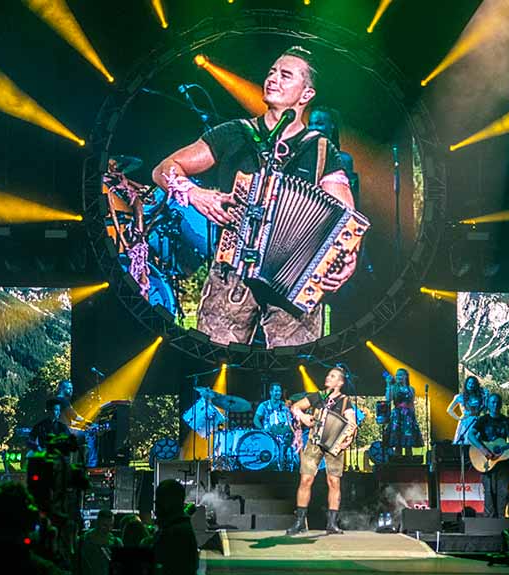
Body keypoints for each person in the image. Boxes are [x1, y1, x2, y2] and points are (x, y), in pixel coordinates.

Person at [152, 46, 357, 348]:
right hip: (231, 272)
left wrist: (346, 260)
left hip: (295, 283)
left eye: (285, 75)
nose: (272, 79)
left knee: (294, 374)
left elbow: (347, 220)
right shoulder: (235, 133)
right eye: (272, 72)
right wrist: (196, 194)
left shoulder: (321, 150)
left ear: (306, 95)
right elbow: (163, 169)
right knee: (216, 367)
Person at [286, 367, 357, 535]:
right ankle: (300, 522)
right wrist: (303, 417)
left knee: (334, 482)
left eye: (332, 376)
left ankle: (332, 524)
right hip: (314, 442)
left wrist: (348, 439)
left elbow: (351, 423)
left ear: (340, 382)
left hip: (334, 446)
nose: (328, 378)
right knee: (306, 479)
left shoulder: (345, 401)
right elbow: (295, 407)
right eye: (328, 375)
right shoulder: (318, 396)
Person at [467, 393, 509, 519]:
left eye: (498, 402)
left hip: (503, 462)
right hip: (487, 462)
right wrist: (483, 450)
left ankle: (501, 522)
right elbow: (471, 435)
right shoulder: (483, 420)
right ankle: (490, 523)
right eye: (493, 402)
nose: (496, 405)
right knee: (489, 493)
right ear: (488, 404)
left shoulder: (507, 421)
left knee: (503, 492)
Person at [308, 106, 359, 207]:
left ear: (331, 126)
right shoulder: (301, 156)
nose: (313, 128)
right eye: (310, 124)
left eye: (319, 124)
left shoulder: (343, 159)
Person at [148, 480, 199, 575]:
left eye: (158, 503)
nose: (156, 509)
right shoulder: (180, 527)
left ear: (167, 503)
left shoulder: (174, 532)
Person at [384, 369, 423, 457]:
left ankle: (410, 463)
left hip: (408, 416)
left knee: (408, 442)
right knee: (398, 442)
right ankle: (398, 462)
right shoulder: (394, 388)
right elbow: (388, 399)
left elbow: (412, 403)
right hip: (397, 415)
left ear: (406, 376)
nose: (398, 377)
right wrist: (388, 384)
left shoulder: (411, 389)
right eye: (397, 375)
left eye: (401, 375)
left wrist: (413, 417)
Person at [78, 509, 123, 575]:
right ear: (97, 523)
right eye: (104, 525)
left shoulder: (116, 543)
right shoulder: (83, 541)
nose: (108, 529)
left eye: (111, 525)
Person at [447, 376, 487, 445]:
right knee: (464, 442)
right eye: (469, 383)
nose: (470, 385)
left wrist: (486, 397)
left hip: (476, 421)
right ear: (466, 384)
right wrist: (458, 418)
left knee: (476, 443)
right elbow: (449, 409)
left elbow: (485, 409)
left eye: (473, 383)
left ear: (476, 385)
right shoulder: (460, 397)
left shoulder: (480, 397)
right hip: (465, 422)